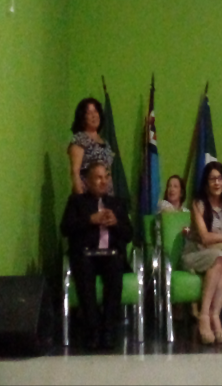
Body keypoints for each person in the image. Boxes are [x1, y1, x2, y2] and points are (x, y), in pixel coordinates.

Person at [60, 161, 132, 350]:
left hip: (111, 255)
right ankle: (93, 330)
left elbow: (129, 234)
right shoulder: (76, 202)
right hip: (86, 256)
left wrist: (116, 223)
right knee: (84, 272)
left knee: (115, 268)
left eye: (106, 177)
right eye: (98, 178)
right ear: (87, 181)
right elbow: (65, 228)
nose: (103, 181)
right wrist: (90, 220)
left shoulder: (117, 203)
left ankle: (108, 330)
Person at [182, 162, 222, 344]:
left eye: (220, 178)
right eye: (212, 179)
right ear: (206, 183)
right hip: (195, 253)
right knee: (219, 257)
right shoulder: (198, 204)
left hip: (218, 253)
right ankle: (203, 316)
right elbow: (204, 238)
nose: (217, 183)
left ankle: (215, 315)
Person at [68, 97, 114, 195]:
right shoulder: (80, 139)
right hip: (87, 195)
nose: (94, 116)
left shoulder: (105, 142)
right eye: (89, 113)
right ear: (82, 117)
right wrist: (81, 199)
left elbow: (108, 172)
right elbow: (75, 172)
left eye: (96, 111)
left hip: (106, 195)